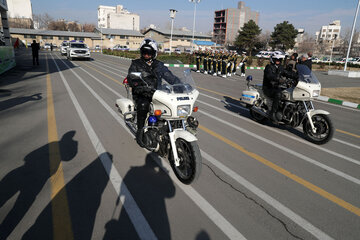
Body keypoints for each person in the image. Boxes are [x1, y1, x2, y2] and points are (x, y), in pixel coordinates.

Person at [127, 38, 180, 147]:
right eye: (144, 52)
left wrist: (180, 85)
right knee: (143, 105)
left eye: (149, 52)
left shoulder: (159, 65)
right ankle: (140, 132)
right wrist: (139, 87)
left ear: (154, 53)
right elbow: (132, 78)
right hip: (142, 94)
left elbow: (170, 77)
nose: (146, 54)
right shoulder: (136, 64)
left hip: (158, 94)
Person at [262, 54, 298, 123]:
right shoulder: (269, 67)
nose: (278, 61)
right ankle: (272, 114)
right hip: (269, 88)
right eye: (277, 59)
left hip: (277, 87)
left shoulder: (280, 67)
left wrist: (297, 76)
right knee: (278, 94)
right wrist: (278, 79)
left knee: (288, 93)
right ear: (273, 60)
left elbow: (287, 73)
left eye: (279, 60)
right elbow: (270, 76)